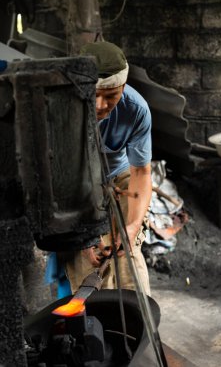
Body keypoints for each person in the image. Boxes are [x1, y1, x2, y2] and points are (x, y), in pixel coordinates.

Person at [65, 41, 152, 296]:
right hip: (75, 180)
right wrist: (84, 236)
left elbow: (141, 172)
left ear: (123, 88)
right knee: (89, 262)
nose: (101, 105)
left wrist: (133, 225)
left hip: (119, 175)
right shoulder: (62, 106)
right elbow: (62, 178)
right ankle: (94, 320)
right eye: (93, 94)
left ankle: (138, 322)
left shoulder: (136, 109)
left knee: (126, 250)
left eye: (111, 96)